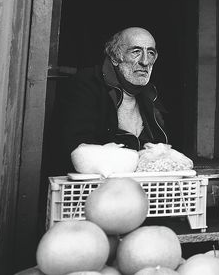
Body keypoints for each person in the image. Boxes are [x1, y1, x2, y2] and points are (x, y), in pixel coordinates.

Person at [51, 27, 169, 173]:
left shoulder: (151, 94)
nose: (145, 61)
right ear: (114, 57)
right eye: (136, 52)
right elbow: (77, 148)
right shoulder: (86, 84)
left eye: (150, 53)